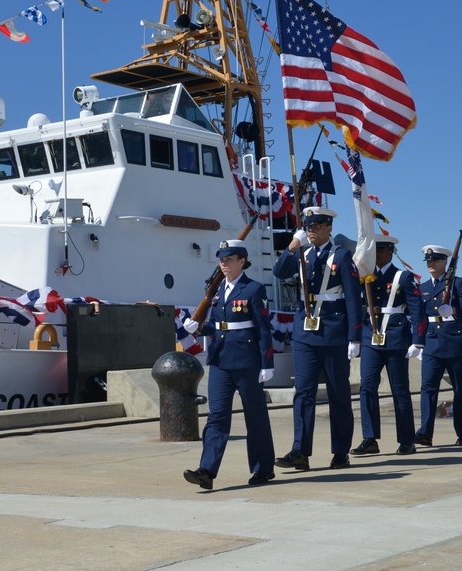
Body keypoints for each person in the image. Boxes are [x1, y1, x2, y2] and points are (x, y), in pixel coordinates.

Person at [182, 239, 276, 489]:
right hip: (221, 359)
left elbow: (263, 329)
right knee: (217, 417)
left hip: (247, 361)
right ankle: (207, 471)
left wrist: (268, 363)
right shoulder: (217, 291)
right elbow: (220, 326)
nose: (224, 263)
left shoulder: (253, 289)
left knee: (255, 417)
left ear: (242, 261)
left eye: (229, 259)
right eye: (221, 259)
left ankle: (263, 468)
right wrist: (200, 327)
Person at [272, 207, 362, 470]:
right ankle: (300, 450)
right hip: (304, 333)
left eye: (316, 226)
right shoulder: (303, 253)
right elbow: (279, 273)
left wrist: (354, 336)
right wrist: (292, 245)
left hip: (333, 332)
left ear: (328, 227)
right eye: (308, 226)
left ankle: (341, 451)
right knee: (303, 393)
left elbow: (353, 299)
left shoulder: (343, 256)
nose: (311, 230)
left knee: (338, 393)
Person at [352, 234, 425, 457]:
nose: (376, 255)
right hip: (371, 338)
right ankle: (370, 438)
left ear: (391, 252)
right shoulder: (365, 275)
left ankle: (406, 440)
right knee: (367, 387)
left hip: (395, 338)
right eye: (374, 251)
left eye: (380, 251)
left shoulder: (403, 277)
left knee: (399, 390)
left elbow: (417, 310)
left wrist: (418, 342)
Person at [415, 245, 462, 447]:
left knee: (460, 389)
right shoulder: (423, 288)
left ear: (445, 262)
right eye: (428, 261)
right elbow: (419, 318)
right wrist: (417, 342)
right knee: (427, 388)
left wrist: (453, 310)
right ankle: (425, 432)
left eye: (435, 260)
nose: (430, 263)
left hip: (455, 341)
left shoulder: (459, 283)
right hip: (432, 342)